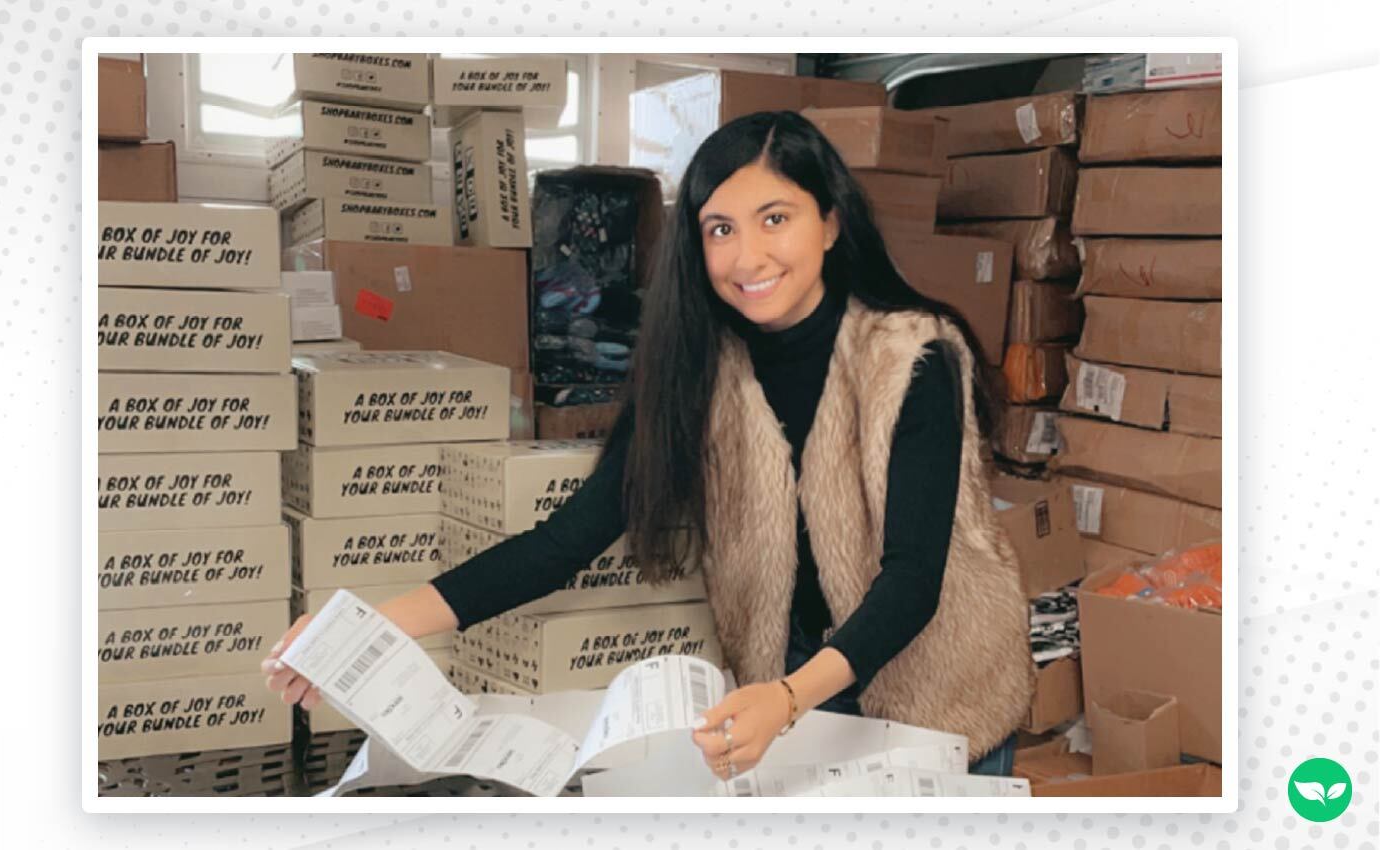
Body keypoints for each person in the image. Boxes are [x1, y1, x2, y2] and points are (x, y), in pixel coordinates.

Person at [263, 110, 1034, 783]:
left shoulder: (913, 356)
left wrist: (788, 698)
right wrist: (359, 634)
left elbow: (912, 580)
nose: (747, 257)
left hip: (940, 687)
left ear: (830, 224)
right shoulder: (697, 369)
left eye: (775, 219)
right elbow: (565, 542)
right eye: (720, 229)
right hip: (793, 683)